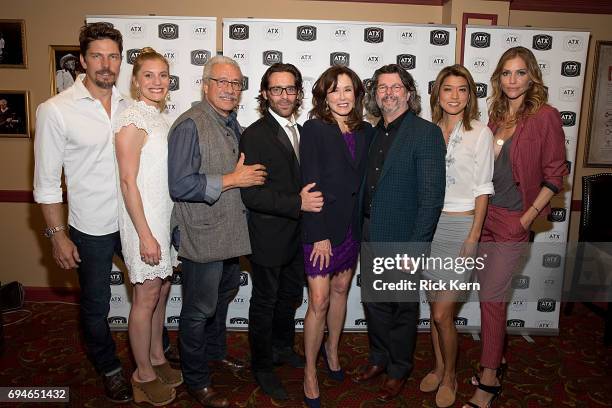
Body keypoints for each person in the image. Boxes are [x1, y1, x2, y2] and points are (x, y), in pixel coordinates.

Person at [33, 22, 133, 403]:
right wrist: (56, 235)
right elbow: (45, 182)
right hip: (89, 227)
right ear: (82, 60)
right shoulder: (55, 110)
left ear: (120, 60)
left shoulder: (130, 107)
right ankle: (109, 368)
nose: (106, 64)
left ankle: (153, 356)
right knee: (96, 305)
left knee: (149, 292)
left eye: (113, 56)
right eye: (97, 56)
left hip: (132, 221)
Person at [463, 46, 568, 408]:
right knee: (488, 294)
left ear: (532, 76)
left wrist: (526, 217)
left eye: (520, 72)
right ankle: (499, 355)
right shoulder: (492, 117)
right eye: (506, 73)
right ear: (498, 77)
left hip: (512, 219)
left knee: (492, 296)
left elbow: (556, 174)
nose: (512, 80)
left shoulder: (545, 117)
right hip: (485, 216)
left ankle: (489, 379)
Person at [167, 55, 266, 408]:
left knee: (220, 303)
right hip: (203, 236)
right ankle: (196, 380)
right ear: (205, 84)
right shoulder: (190, 125)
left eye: (235, 84)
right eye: (221, 82)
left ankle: (215, 354)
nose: (229, 89)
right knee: (197, 311)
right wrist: (232, 180)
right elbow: (180, 184)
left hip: (230, 234)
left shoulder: (231, 123)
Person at [352, 64, 446, 403]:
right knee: (374, 304)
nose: (388, 93)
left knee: (402, 309)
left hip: (404, 239)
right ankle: (378, 358)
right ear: (376, 96)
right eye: (382, 88)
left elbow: (432, 197)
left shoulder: (426, 133)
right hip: (369, 233)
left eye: (395, 87)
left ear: (408, 92)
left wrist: (416, 247)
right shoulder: (373, 131)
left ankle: (398, 368)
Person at [239, 63, 323, 401]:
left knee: (289, 298)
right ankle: (262, 366)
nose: (284, 96)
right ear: (264, 93)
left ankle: (281, 347)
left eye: (290, 89)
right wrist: (297, 203)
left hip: (296, 237)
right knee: (265, 302)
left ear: (299, 93)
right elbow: (252, 194)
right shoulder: (256, 135)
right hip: (269, 237)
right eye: (277, 89)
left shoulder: (302, 130)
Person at [419, 64, 494, 408]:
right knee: (435, 306)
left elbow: (483, 188)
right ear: (438, 93)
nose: (454, 96)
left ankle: (450, 375)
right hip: (430, 227)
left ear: (470, 95)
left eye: (462, 89)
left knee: (441, 314)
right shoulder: (429, 131)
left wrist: (474, 234)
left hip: (462, 226)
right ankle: (437, 366)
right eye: (447, 89)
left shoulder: (481, 133)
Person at [113, 47, 182, 406]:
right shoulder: (132, 120)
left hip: (163, 217)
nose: (157, 82)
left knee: (162, 292)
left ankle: (156, 357)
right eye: (149, 75)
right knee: (145, 298)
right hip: (143, 222)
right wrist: (144, 234)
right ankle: (141, 373)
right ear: (136, 80)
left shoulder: (161, 118)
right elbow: (127, 182)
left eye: (163, 75)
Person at [300, 66, 372, 407]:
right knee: (319, 301)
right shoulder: (314, 129)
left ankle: (332, 351)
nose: (342, 97)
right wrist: (318, 235)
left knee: (341, 290)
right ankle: (310, 371)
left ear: (356, 95)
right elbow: (309, 183)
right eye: (335, 90)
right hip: (322, 231)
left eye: (348, 90)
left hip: (351, 229)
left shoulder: (366, 131)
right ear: (323, 96)